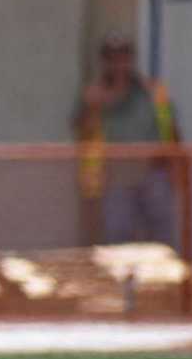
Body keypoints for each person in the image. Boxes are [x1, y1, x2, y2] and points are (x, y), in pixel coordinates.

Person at [73, 31, 182, 247]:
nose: (118, 64)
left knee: (161, 236)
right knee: (118, 236)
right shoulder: (93, 94)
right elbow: (80, 130)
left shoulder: (152, 91)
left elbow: (172, 130)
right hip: (115, 176)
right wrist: (95, 105)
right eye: (112, 58)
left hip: (153, 173)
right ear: (104, 62)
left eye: (123, 58)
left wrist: (175, 167)